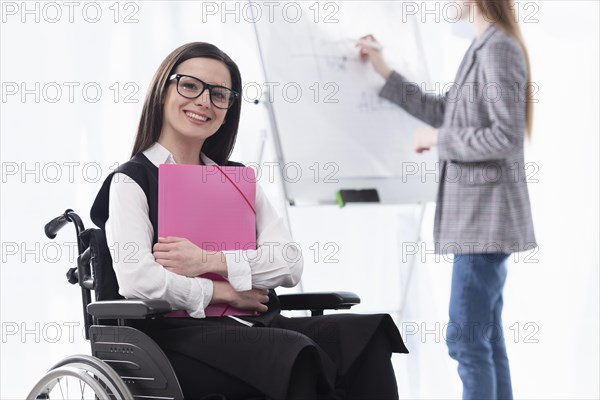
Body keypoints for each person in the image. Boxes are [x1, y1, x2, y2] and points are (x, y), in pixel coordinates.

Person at [90, 41, 408, 400]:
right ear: (163, 90)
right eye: (191, 86)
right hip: (174, 339)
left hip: (257, 324)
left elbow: (289, 264)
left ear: (228, 109)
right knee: (292, 353)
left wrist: (209, 262)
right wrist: (224, 292)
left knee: (365, 334)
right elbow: (139, 281)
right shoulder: (132, 180)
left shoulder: (237, 180)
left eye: (219, 94)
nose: (204, 101)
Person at [358, 1, 536, 399]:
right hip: (481, 221)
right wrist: (385, 71)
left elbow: (504, 137)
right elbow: (446, 112)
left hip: (484, 222)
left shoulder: (497, 48)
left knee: (466, 340)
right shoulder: (484, 46)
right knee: (483, 338)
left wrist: (439, 139)